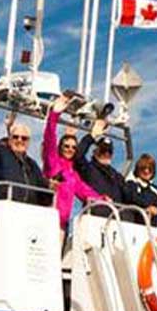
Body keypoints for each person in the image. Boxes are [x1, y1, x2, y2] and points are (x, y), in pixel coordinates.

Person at [43, 96, 105, 230]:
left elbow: (84, 190)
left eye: (73, 147)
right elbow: (49, 140)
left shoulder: (73, 174)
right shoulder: (54, 163)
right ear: (60, 147)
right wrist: (54, 115)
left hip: (63, 225)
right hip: (47, 221)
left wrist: (103, 199)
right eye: (66, 146)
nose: (70, 149)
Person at [0, 106, 50, 205]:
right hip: (3, 211)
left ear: (28, 142)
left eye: (24, 138)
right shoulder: (1, 154)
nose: (19, 140)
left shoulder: (32, 165)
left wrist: (51, 188)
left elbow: (42, 193)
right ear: (10, 139)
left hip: (27, 214)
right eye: (15, 137)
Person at [72, 121, 126, 214]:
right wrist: (91, 136)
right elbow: (77, 157)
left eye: (109, 151)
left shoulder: (117, 176)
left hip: (115, 219)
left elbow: (128, 194)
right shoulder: (88, 168)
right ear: (95, 151)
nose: (106, 154)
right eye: (103, 150)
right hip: (93, 217)